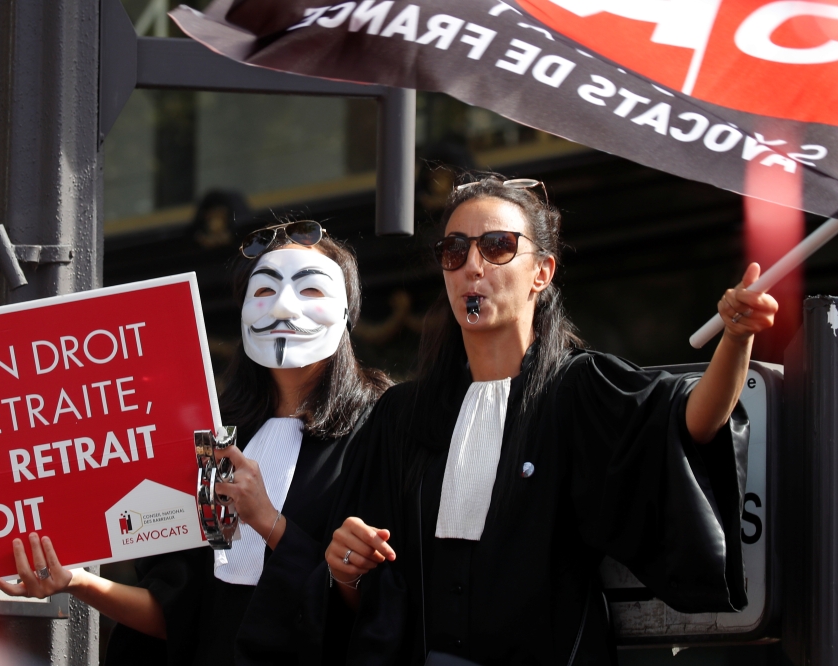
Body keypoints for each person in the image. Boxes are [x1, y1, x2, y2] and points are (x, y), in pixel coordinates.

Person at [319, 175, 777, 664]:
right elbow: (367, 598)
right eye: (454, 250)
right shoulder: (403, 416)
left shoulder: (576, 388)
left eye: (497, 247)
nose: (472, 266)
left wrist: (736, 338)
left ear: (542, 272)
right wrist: (346, 567)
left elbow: (690, 423)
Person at [0, 220, 392, 666]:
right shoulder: (215, 436)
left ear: (347, 313)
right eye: (262, 291)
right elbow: (178, 616)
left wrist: (268, 522)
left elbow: (376, 608)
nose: (282, 307)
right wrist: (77, 582)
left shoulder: (383, 427)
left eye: (312, 290)